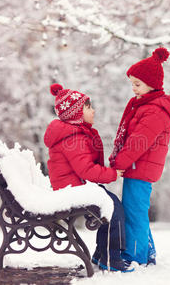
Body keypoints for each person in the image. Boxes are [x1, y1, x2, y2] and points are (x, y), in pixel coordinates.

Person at [44, 83, 134, 272]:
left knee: (111, 205)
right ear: (76, 114)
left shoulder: (76, 134)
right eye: (88, 107)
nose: (93, 110)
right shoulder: (73, 138)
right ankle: (110, 259)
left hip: (75, 186)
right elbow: (85, 170)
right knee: (112, 209)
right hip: (75, 188)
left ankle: (102, 255)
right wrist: (111, 174)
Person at [109, 47, 170, 265]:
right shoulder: (145, 106)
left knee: (134, 213)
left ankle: (136, 258)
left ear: (152, 84)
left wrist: (119, 164)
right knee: (136, 211)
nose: (133, 89)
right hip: (137, 168)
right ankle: (147, 253)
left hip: (139, 168)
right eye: (132, 84)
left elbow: (137, 143)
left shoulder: (155, 110)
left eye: (137, 84)